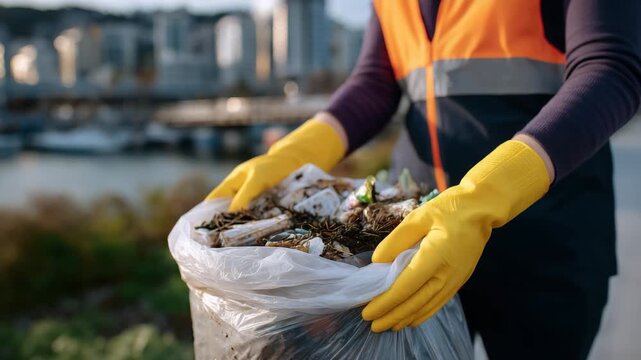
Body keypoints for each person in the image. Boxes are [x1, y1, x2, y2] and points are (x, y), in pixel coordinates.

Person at [207, 0, 641, 358]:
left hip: (548, 239)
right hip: (413, 241)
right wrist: (294, 153)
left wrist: (483, 198)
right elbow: (377, 82)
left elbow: (610, 68)